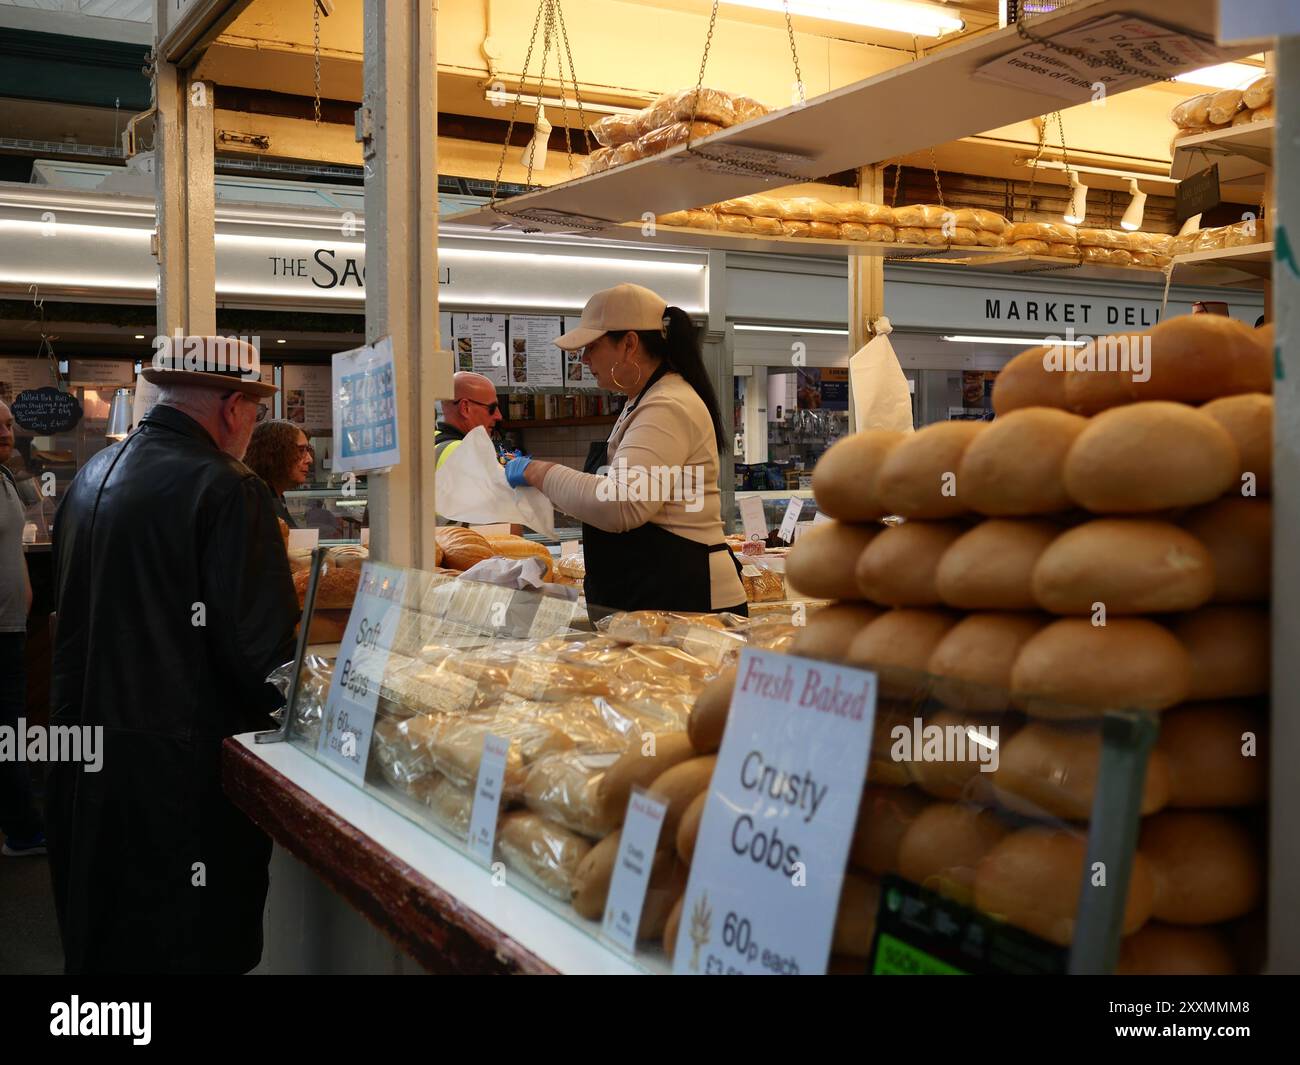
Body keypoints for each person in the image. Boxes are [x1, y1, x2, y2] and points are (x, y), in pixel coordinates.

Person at [47, 337, 298, 974]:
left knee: (108, 943)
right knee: (190, 944)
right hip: (182, 775)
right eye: (255, 411)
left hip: (88, 761)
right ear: (233, 407)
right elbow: (260, 655)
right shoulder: (229, 486)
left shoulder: (91, 477)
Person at [505, 283, 746, 620]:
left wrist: (540, 473)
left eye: (592, 346)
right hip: (658, 594)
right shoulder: (644, 399)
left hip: (688, 601)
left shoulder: (668, 404)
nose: (584, 358)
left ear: (629, 344)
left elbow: (622, 503)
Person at [0, 398, 44, 857]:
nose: (6, 432)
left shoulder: (8, 475)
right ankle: (24, 829)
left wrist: (27, 589)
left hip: (10, 627)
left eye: (9, 424)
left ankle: (23, 827)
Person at [243, 419, 314, 528]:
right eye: (301, 450)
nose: (309, 459)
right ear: (275, 453)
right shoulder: (256, 502)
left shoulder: (272, 496)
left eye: (307, 450)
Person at [435, 371, 503, 469]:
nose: (498, 416)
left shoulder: (431, 440)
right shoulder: (468, 454)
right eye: (492, 408)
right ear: (465, 408)